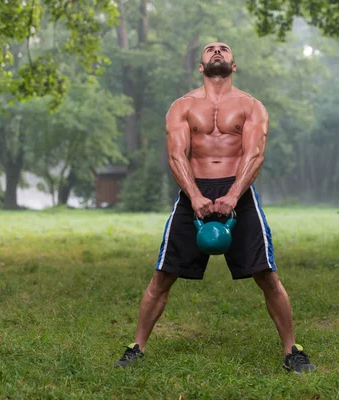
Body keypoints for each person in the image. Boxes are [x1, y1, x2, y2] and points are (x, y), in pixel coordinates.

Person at [115, 42, 315, 373]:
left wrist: (234, 194)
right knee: (163, 275)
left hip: (240, 192)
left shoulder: (252, 106)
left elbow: (255, 154)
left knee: (267, 274)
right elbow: (177, 155)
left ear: (234, 65)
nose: (217, 51)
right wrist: (194, 196)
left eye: (223, 49)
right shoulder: (182, 106)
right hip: (194, 190)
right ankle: (136, 346)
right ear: (201, 65)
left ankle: (292, 350)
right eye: (210, 49)